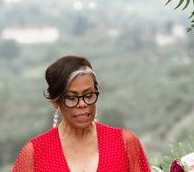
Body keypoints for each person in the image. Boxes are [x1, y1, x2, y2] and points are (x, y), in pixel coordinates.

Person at [12, 55, 150, 172]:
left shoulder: (125, 143)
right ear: (55, 101)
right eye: (71, 98)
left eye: (88, 95)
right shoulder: (35, 154)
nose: (82, 104)